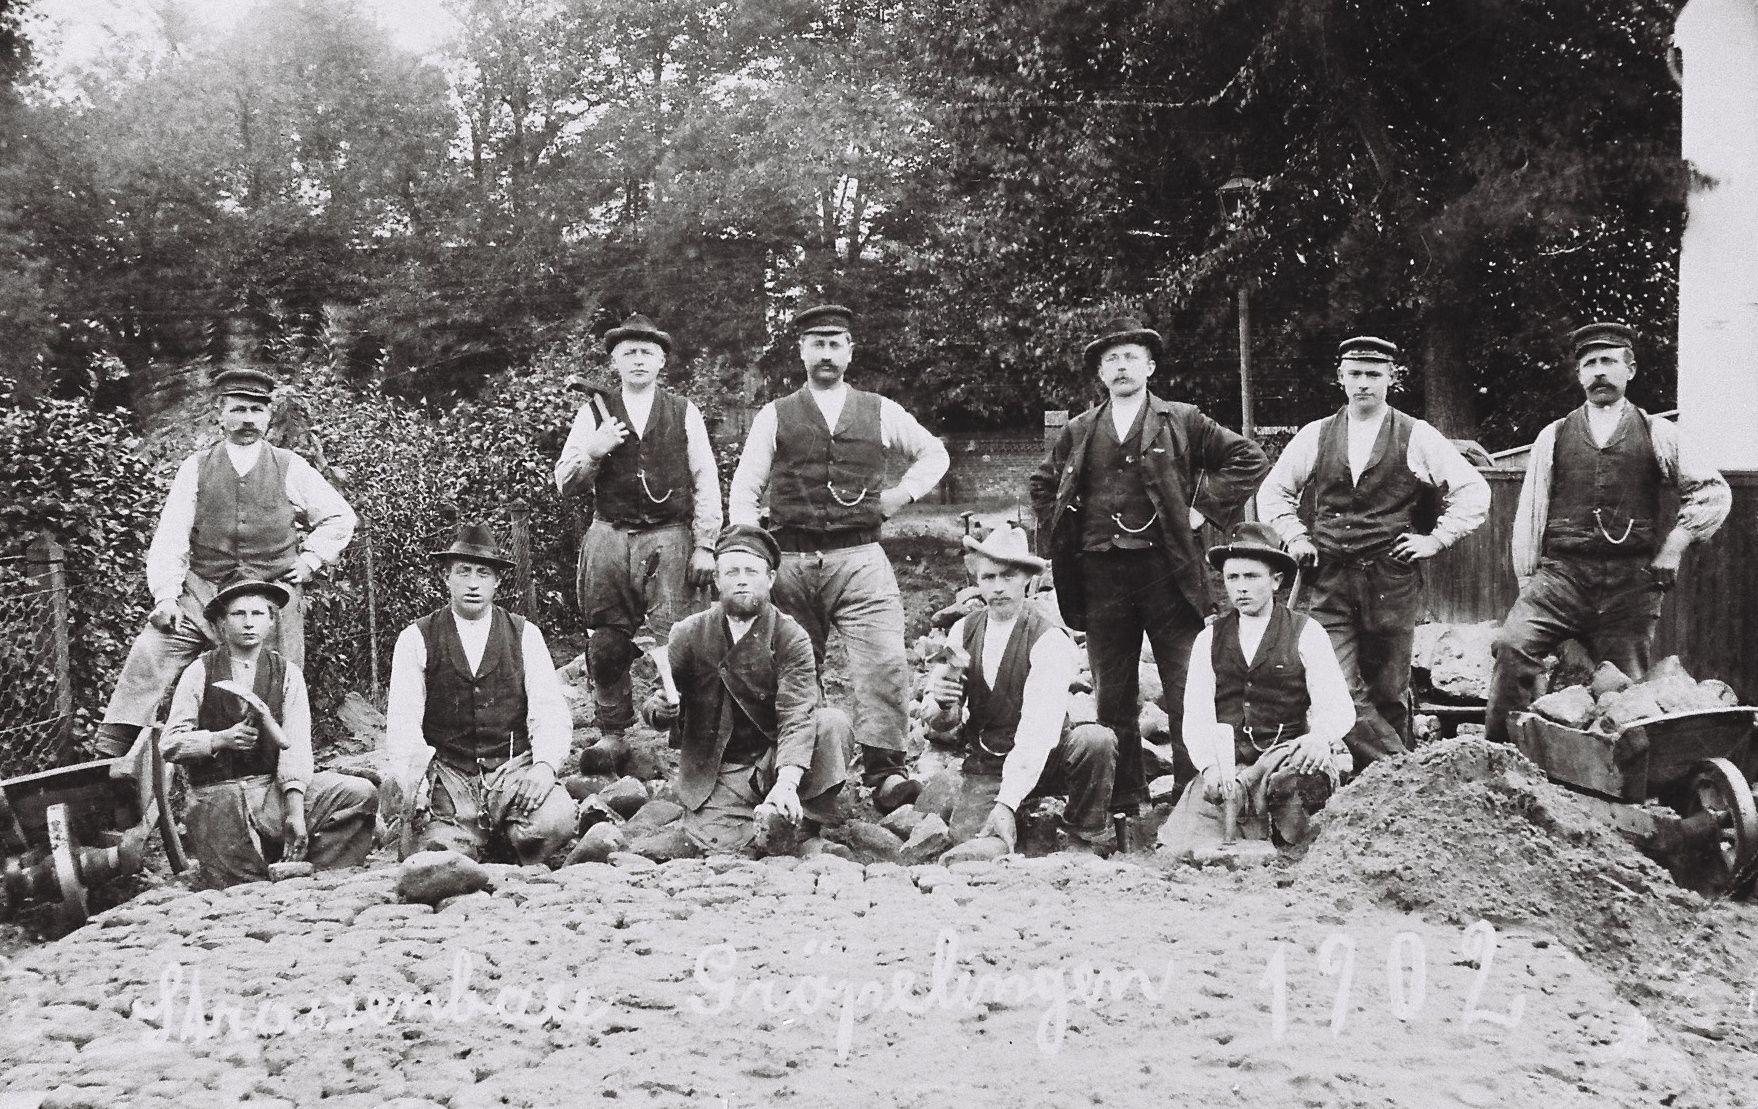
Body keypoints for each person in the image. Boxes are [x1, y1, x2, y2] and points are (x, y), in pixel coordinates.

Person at [1029, 316, 1269, 814]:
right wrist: (1065, 530)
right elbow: (1042, 485)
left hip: (1167, 575)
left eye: (1130, 357)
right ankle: (1124, 800)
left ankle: (1189, 798)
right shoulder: (1079, 430)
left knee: (1185, 688)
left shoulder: (1181, 419)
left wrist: (1201, 510)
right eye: (1111, 359)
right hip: (1100, 577)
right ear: (1100, 373)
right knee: (1113, 695)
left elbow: (1247, 458)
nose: (1121, 366)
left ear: (1150, 366)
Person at [728, 304, 949, 813]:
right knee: (789, 666)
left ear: (850, 352)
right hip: (791, 559)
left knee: (885, 662)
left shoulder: (879, 409)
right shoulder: (776, 414)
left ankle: (886, 772)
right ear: (802, 352)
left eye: (835, 344)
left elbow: (934, 454)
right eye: (816, 344)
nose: (825, 354)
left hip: (860, 557)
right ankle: (795, 768)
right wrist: (746, 548)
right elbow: (747, 485)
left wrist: (902, 495)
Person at [1486, 323, 1732, 743]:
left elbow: (1712, 491)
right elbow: (1530, 515)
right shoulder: (1555, 435)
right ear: (1579, 375)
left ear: (1629, 369)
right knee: (1513, 646)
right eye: (1589, 364)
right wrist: (1530, 584)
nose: (1599, 372)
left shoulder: (1659, 432)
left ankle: (1616, 792)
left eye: (1608, 361)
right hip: (1561, 578)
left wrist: (1676, 542)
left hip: (1629, 584)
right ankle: (1499, 757)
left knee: (1625, 693)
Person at [93, 367, 357, 757]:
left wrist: (311, 559)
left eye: (256, 409)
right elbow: (172, 534)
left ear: (269, 416)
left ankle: (283, 764)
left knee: (279, 679)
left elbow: (340, 517)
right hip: (206, 593)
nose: (247, 418)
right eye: (238, 409)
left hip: (271, 597)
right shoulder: (195, 467)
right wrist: (166, 596)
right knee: (152, 650)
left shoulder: (290, 466)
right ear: (220, 413)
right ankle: (114, 753)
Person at [1255, 336, 1490, 766]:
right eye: (1355, 374)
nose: (1363, 383)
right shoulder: (1316, 435)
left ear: (1391, 379)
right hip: (1328, 579)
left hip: (1390, 580)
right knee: (1334, 686)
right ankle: (1402, 772)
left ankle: (1382, 798)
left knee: (1389, 691)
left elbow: (1474, 490)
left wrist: (1435, 539)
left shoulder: (1416, 434)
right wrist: (1296, 536)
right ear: (1339, 377)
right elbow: (1273, 494)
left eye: (1373, 374)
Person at [554, 313, 723, 772]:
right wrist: (595, 448)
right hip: (609, 533)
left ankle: (689, 728)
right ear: (614, 360)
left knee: (683, 636)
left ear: (662, 360)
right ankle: (613, 734)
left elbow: (706, 477)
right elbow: (564, 482)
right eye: (628, 351)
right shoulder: (593, 412)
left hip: (669, 535)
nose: (638, 359)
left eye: (647, 351)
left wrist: (706, 543)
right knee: (605, 640)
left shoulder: (683, 410)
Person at [642, 525, 851, 855]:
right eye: (732, 572)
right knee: (724, 846)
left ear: (769, 579)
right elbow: (655, 707)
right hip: (722, 770)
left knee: (831, 724)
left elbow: (798, 712)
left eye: (752, 571)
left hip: (777, 759)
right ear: (716, 580)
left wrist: (786, 781)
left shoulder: (790, 636)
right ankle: (771, 827)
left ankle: (805, 819)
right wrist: (660, 709)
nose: (742, 580)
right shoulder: (689, 633)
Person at [162, 578, 378, 890]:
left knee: (359, 794)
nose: (249, 623)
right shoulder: (200, 671)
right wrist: (218, 739)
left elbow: (296, 748)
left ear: (272, 621)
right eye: (238, 615)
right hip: (216, 795)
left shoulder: (286, 673)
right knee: (238, 887)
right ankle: (259, 868)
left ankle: (314, 872)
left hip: (269, 792)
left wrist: (294, 812)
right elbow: (169, 744)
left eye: (258, 614)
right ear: (221, 624)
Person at [920, 523, 1117, 854]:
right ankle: (1014, 824)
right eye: (988, 578)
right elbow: (940, 729)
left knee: (1094, 742)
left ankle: (1083, 835)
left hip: (1048, 759)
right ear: (977, 581)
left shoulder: (1049, 638)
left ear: (1027, 578)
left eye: (1008, 576)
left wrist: (1007, 802)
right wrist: (942, 704)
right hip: (988, 762)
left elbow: (1038, 732)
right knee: (968, 850)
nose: (998, 588)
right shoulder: (960, 632)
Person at [385, 524, 577, 864]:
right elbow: (403, 724)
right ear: (447, 578)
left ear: (497, 582)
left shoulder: (524, 634)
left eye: (483, 574)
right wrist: (415, 784)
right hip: (449, 775)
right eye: (463, 572)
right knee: (439, 856)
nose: (473, 584)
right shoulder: (416, 638)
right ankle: (466, 840)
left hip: (510, 771)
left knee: (555, 821)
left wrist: (545, 765)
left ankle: (507, 840)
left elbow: (548, 710)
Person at [1182, 522, 1355, 846]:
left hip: (1285, 762)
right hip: (1229, 764)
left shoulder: (1306, 632)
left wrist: (1320, 737)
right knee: (1192, 845)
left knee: (1302, 787)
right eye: (1232, 578)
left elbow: (1338, 705)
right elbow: (1196, 715)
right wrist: (1209, 768)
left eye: (1252, 577)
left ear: (1276, 581)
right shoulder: (1209, 639)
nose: (1241, 588)